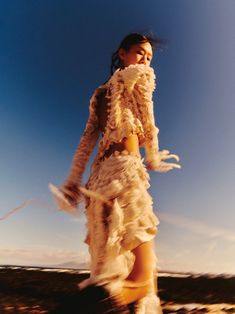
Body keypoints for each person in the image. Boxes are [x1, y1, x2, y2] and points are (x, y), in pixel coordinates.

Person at [49, 33, 181, 313]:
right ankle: (100, 300)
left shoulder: (98, 93)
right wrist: (154, 157)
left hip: (97, 184)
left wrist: (73, 180)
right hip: (125, 172)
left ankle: (101, 297)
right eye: (140, 53)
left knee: (112, 265)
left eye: (149, 57)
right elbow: (148, 119)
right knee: (143, 279)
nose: (145, 60)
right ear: (122, 53)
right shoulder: (138, 77)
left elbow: (87, 140)